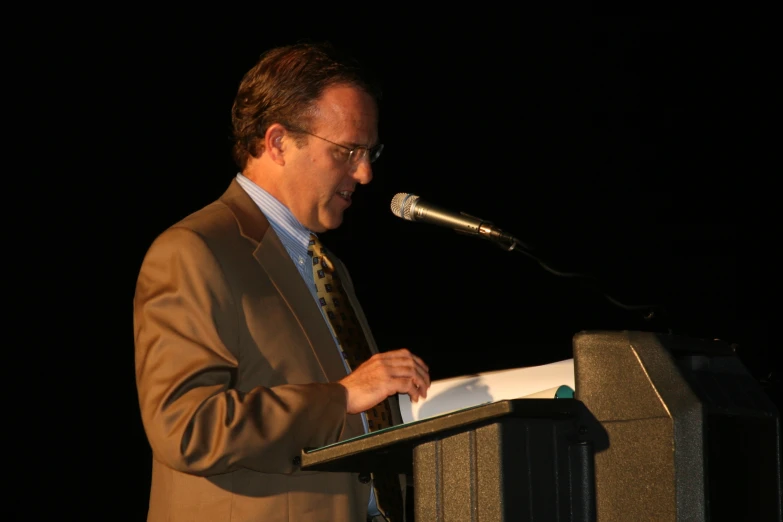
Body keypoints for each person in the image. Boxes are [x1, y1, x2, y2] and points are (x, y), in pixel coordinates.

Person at [133, 41, 431, 522]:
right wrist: (344, 397)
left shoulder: (328, 266)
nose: (365, 172)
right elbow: (187, 428)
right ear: (277, 143)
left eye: (370, 150)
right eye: (347, 150)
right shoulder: (194, 250)